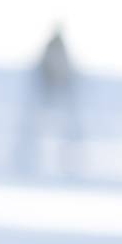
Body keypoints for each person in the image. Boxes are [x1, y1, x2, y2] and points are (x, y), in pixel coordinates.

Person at [17, 23, 80, 175]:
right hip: (48, 89)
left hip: (58, 89)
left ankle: (69, 158)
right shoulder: (52, 47)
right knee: (39, 123)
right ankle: (27, 157)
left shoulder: (59, 47)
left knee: (62, 124)